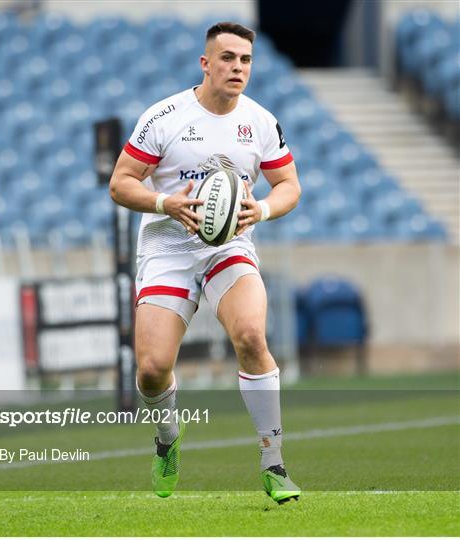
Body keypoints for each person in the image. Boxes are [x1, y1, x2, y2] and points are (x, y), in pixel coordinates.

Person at [109, 21, 302, 504]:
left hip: (228, 246)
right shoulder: (165, 116)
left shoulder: (259, 121)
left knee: (252, 336)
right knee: (152, 368)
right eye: (228, 58)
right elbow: (121, 182)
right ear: (206, 63)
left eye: (246, 60)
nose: (238, 68)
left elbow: (290, 187)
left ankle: (273, 462)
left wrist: (264, 209)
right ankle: (168, 438)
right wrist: (165, 203)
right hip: (168, 249)